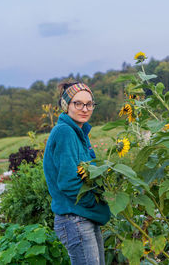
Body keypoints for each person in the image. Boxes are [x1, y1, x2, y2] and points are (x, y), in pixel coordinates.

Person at [43, 79, 110, 265]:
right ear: (66, 105)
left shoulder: (79, 133)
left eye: (89, 104)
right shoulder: (65, 132)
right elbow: (68, 183)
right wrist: (95, 204)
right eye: (78, 103)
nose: (85, 109)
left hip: (83, 216)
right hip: (74, 218)